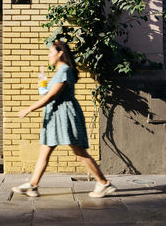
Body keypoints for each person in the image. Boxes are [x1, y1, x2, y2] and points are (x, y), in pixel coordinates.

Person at [12, 41, 116, 198]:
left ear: (60, 53)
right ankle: (32, 186)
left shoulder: (65, 70)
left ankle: (104, 183)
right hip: (54, 117)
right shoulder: (59, 71)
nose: (48, 56)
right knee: (44, 151)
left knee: (79, 151)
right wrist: (42, 81)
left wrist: (28, 109)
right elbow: (47, 92)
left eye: (50, 52)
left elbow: (52, 95)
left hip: (65, 116)